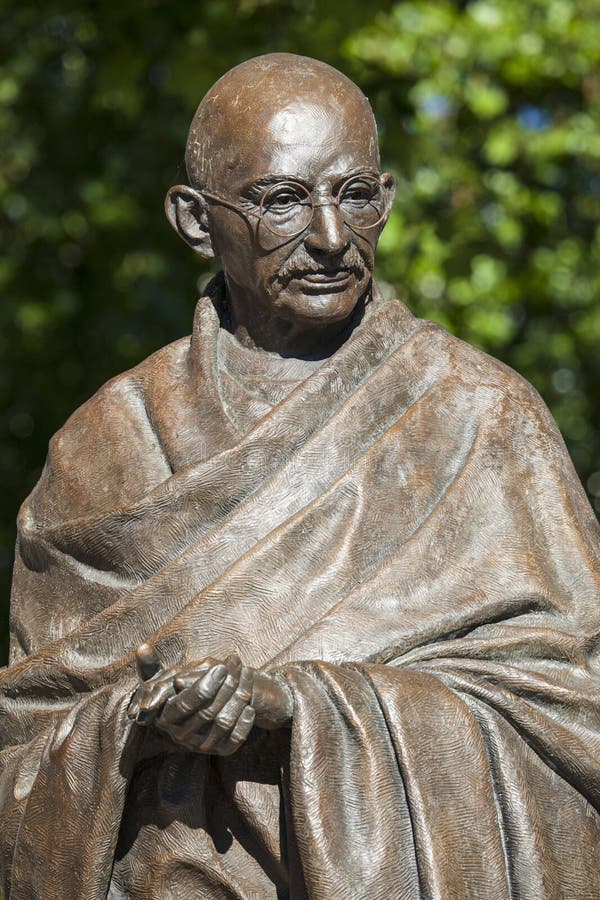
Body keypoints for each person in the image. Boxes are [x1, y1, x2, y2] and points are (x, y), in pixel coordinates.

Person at [1, 52, 600, 900]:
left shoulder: (478, 415)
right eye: (282, 200)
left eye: (356, 195)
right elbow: (24, 747)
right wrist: (136, 723)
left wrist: (300, 706)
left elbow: (574, 712)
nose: (329, 236)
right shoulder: (105, 444)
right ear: (196, 221)